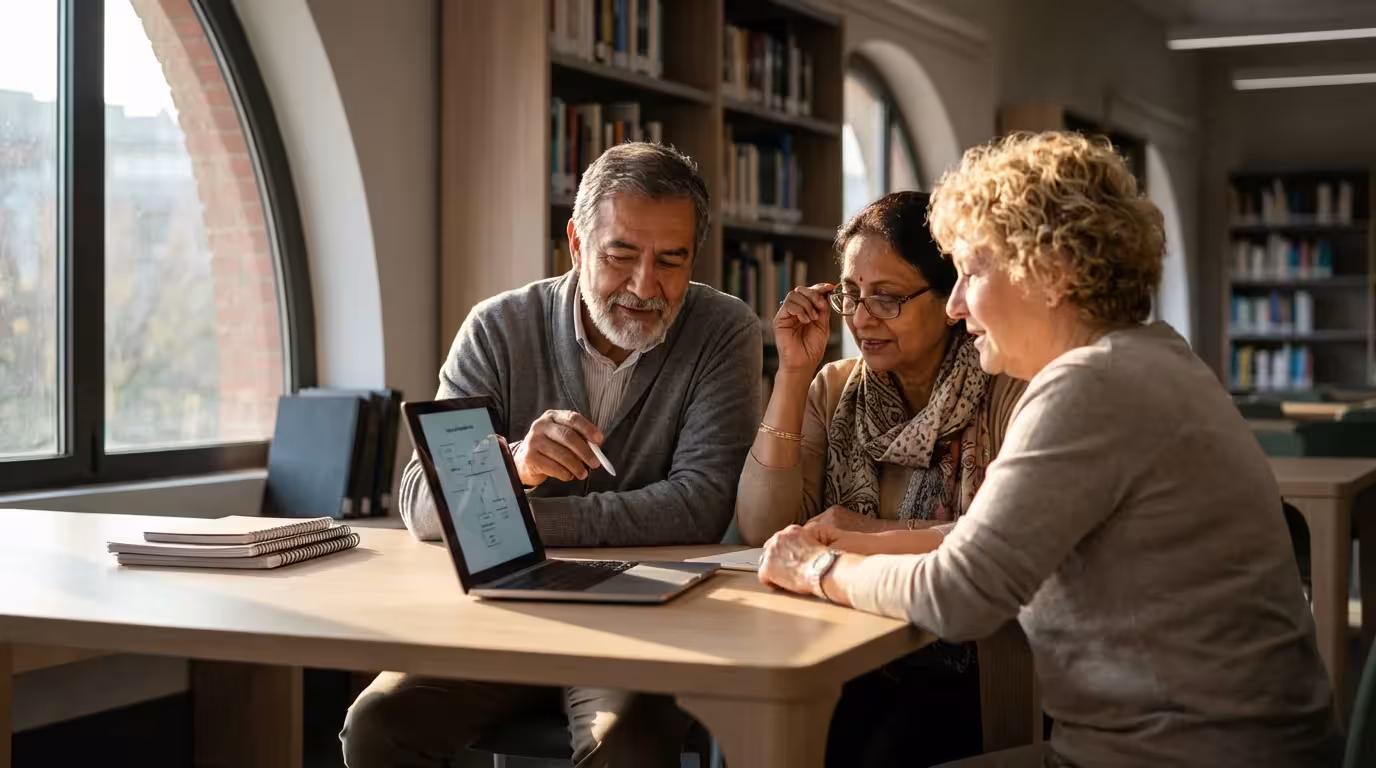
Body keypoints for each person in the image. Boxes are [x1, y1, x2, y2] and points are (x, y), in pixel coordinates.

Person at [757, 131, 1342, 767]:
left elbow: (956, 597)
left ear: (1051, 271)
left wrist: (811, 569)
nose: (956, 302)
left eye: (973, 271)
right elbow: (993, 537)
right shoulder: (1149, 354)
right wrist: (862, 542)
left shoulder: (1086, 387)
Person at [340, 142, 763, 768]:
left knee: (625, 743)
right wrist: (514, 469)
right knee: (377, 726)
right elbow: (421, 504)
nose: (645, 285)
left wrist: (508, 521)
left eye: (671, 261)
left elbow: (700, 505)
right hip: (499, 615)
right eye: (621, 255)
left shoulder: (724, 330)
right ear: (576, 241)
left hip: (641, 619)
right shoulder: (497, 327)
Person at [735, 190, 1026, 766]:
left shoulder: (1005, 389)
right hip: (841, 650)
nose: (863, 319)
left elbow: (997, 544)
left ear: (950, 297)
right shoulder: (835, 387)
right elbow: (760, 528)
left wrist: (868, 531)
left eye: (888, 298)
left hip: (973, 662)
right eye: (852, 295)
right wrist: (793, 374)